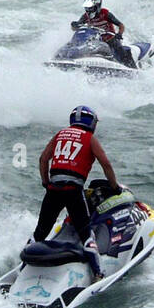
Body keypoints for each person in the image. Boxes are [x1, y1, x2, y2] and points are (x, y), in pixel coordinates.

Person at [33, 106, 120, 280]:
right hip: (73, 190)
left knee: (40, 232)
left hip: (54, 189)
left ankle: (22, 268)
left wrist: (46, 182)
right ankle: (98, 273)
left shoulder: (60, 135)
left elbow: (43, 159)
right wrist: (115, 186)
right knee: (86, 234)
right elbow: (106, 164)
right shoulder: (89, 138)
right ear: (91, 122)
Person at [72, 0, 136, 69]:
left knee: (121, 52)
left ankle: (132, 68)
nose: (88, 11)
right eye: (87, 8)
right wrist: (74, 25)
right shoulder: (85, 16)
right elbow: (76, 28)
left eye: (90, 8)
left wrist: (119, 34)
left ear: (97, 7)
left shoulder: (106, 14)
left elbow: (121, 25)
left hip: (110, 40)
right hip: (96, 41)